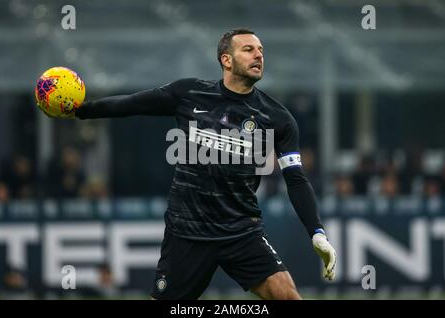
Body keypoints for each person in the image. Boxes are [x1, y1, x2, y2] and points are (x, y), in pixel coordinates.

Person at [63, 28, 337, 300]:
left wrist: (317, 232)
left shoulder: (278, 117)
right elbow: (132, 104)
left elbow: (296, 178)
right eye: (248, 49)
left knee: (288, 297)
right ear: (226, 60)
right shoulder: (189, 92)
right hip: (187, 232)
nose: (258, 56)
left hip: (241, 231)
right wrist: (82, 110)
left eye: (261, 51)